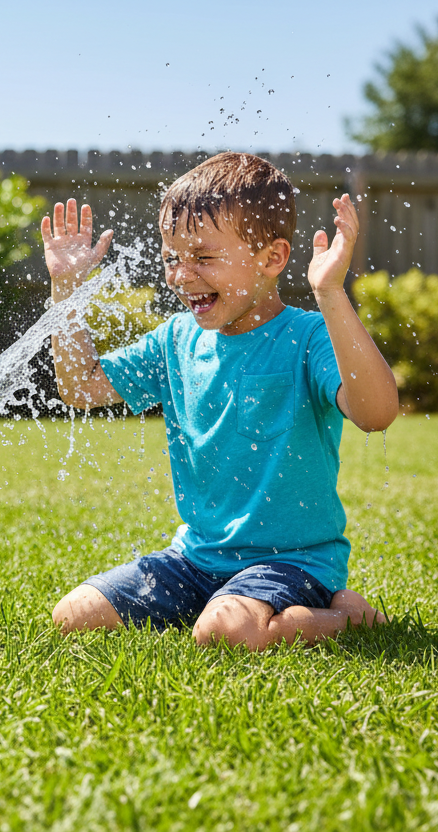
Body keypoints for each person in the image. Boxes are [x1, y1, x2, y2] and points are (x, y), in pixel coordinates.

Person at [43, 152, 397, 651]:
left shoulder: (307, 337)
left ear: (272, 258)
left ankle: (352, 617)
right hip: (195, 558)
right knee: (73, 616)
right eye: (171, 257)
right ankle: (222, 601)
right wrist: (67, 288)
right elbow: (81, 387)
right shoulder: (175, 341)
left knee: (225, 632)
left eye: (203, 258)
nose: (180, 276)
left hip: (290, 561)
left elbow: (376, 414)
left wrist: (330, 294)